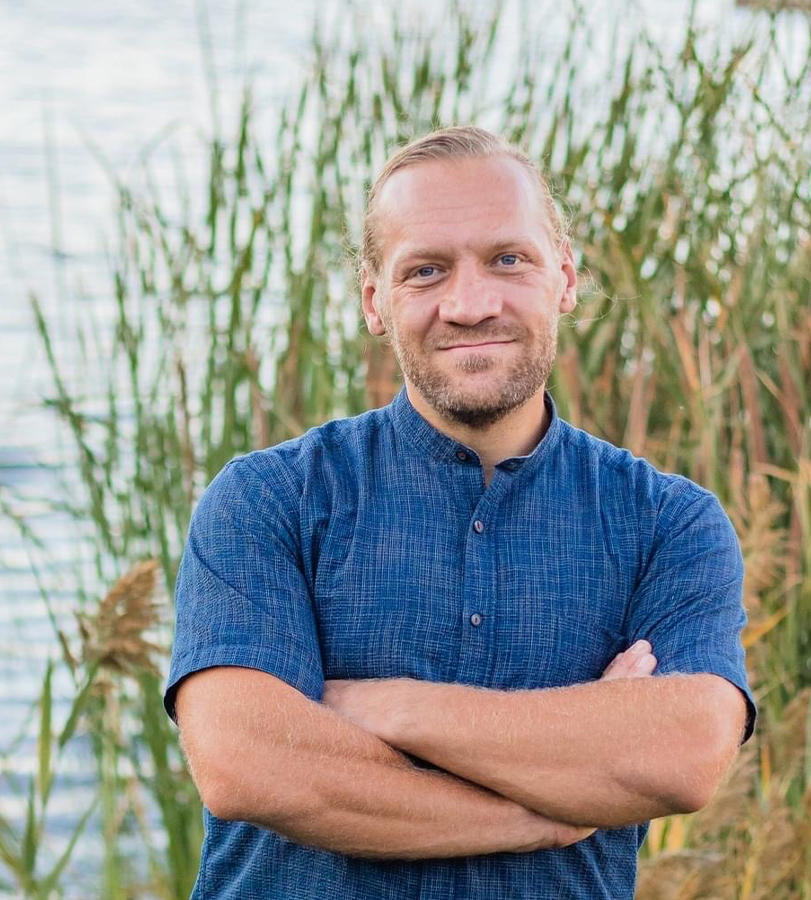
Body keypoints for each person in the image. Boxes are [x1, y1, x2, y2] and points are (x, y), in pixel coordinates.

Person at [164, 125, 757, 900]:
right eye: (426, 270)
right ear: (376, 302)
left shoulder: (667, 523)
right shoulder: (269, 499)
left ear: (565, 279)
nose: (471, 304)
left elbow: (682, 755)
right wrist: (545, 809)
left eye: (509, 259)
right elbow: (249, 767)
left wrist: (378, 705)